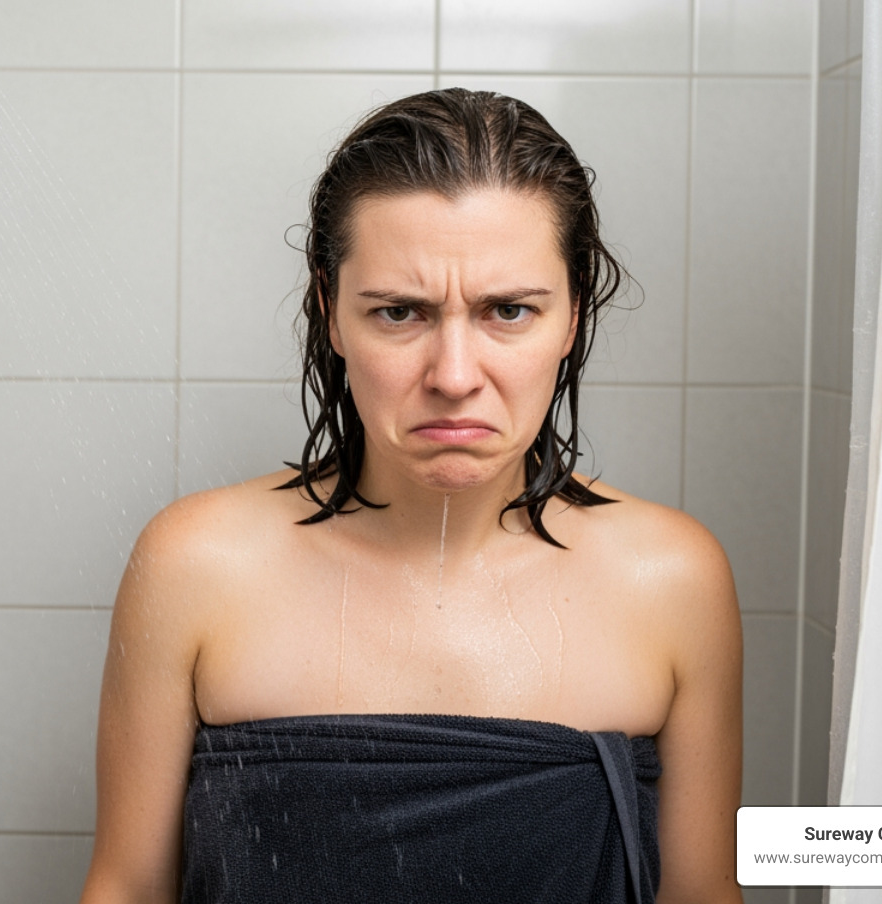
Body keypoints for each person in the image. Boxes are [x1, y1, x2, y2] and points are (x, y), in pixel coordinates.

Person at [78, 89, 743, 904]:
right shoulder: (197, 565)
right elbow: (125, 888)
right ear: (330, 312)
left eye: (509, 311)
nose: (454, 376)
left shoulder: (671, 579)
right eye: (399, 312)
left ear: (571, 316)